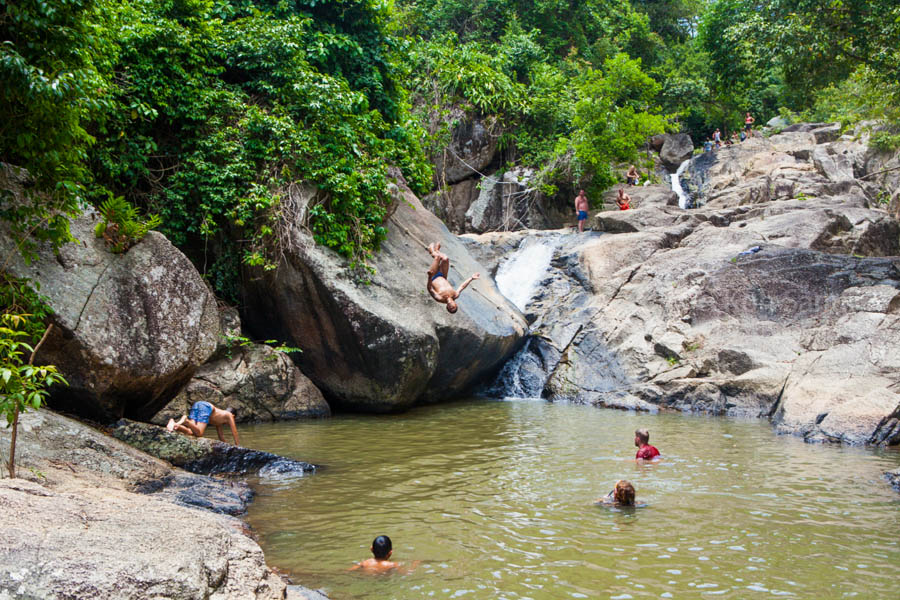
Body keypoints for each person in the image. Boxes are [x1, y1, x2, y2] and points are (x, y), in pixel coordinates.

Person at [426, 242, 479, 314]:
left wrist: (429, 277)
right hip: (442, 275)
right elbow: (462, 286)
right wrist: (471, 278)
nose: (451, 307)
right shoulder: (455, 295)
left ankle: (431, 251)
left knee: (437, 257)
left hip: (433, 276)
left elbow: (430, 289)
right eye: (453, 307)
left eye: (450, 309)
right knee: (445, 259)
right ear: (455, 304)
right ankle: (437, 251)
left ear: (447, 307)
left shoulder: (440, 298)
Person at [167, 401, 240, 445]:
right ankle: (186, 421)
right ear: (233, 416)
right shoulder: (229, 415)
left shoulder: (219, 421)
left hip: (197, 404)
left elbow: (221, 436)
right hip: (206, 407)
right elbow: (234, 432)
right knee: (200, 434)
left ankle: (175, 424)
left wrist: (227, 446)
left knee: (191, 432)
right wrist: (237, 445)